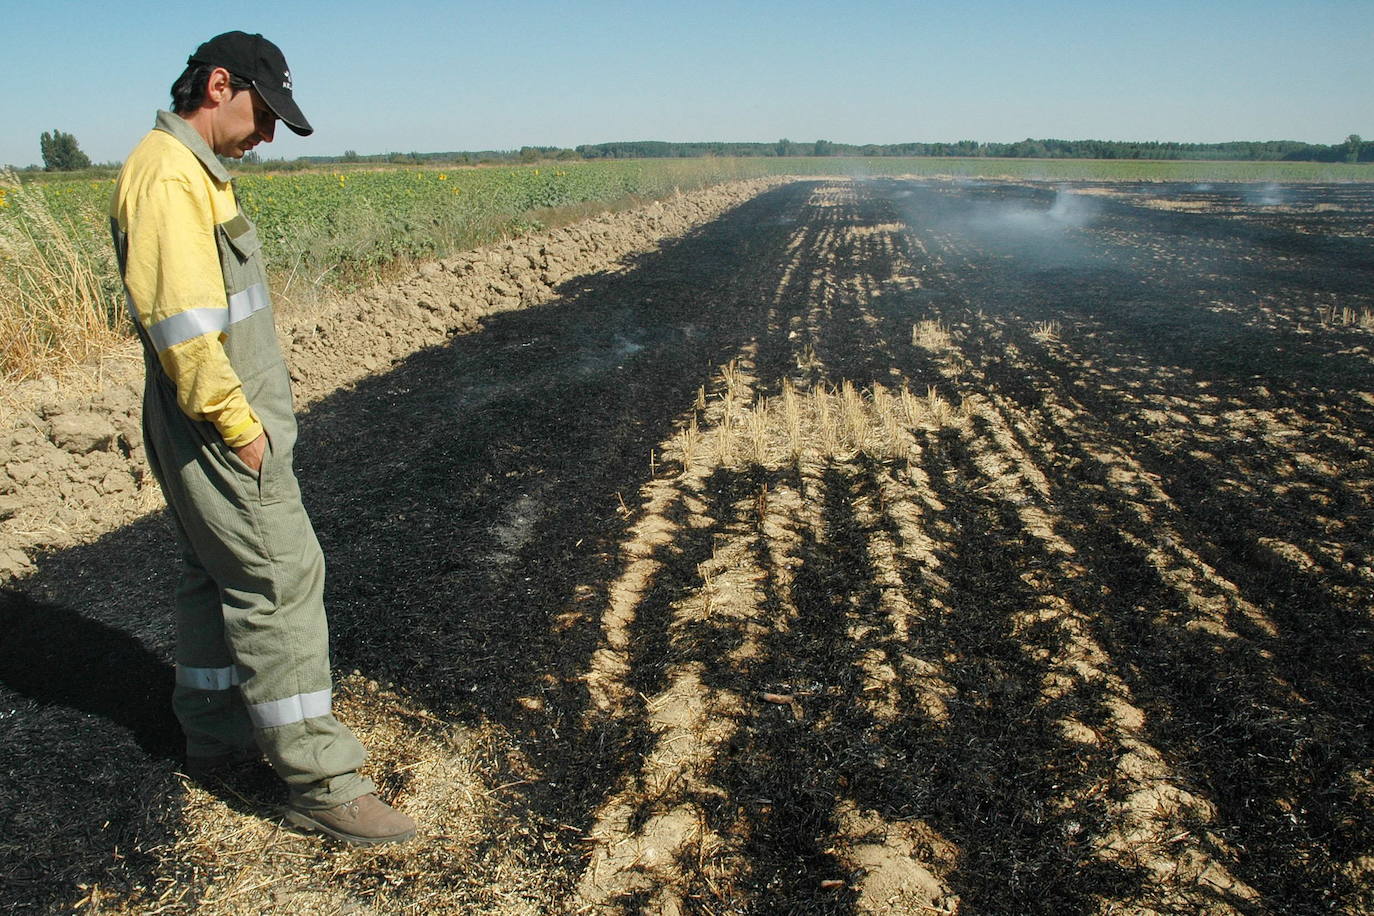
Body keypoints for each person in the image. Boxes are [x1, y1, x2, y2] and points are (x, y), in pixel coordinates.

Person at [109, 31, 416, 846]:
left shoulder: (182, 169)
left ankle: (214, 736)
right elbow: (186, 333)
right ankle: (321, 783)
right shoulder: (170, 176)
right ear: (219, 85)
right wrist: (243, 432)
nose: (268, 136)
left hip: (203, 421)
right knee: (282, 577)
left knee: (213, 576)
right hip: (217, 423)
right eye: (263, 114)